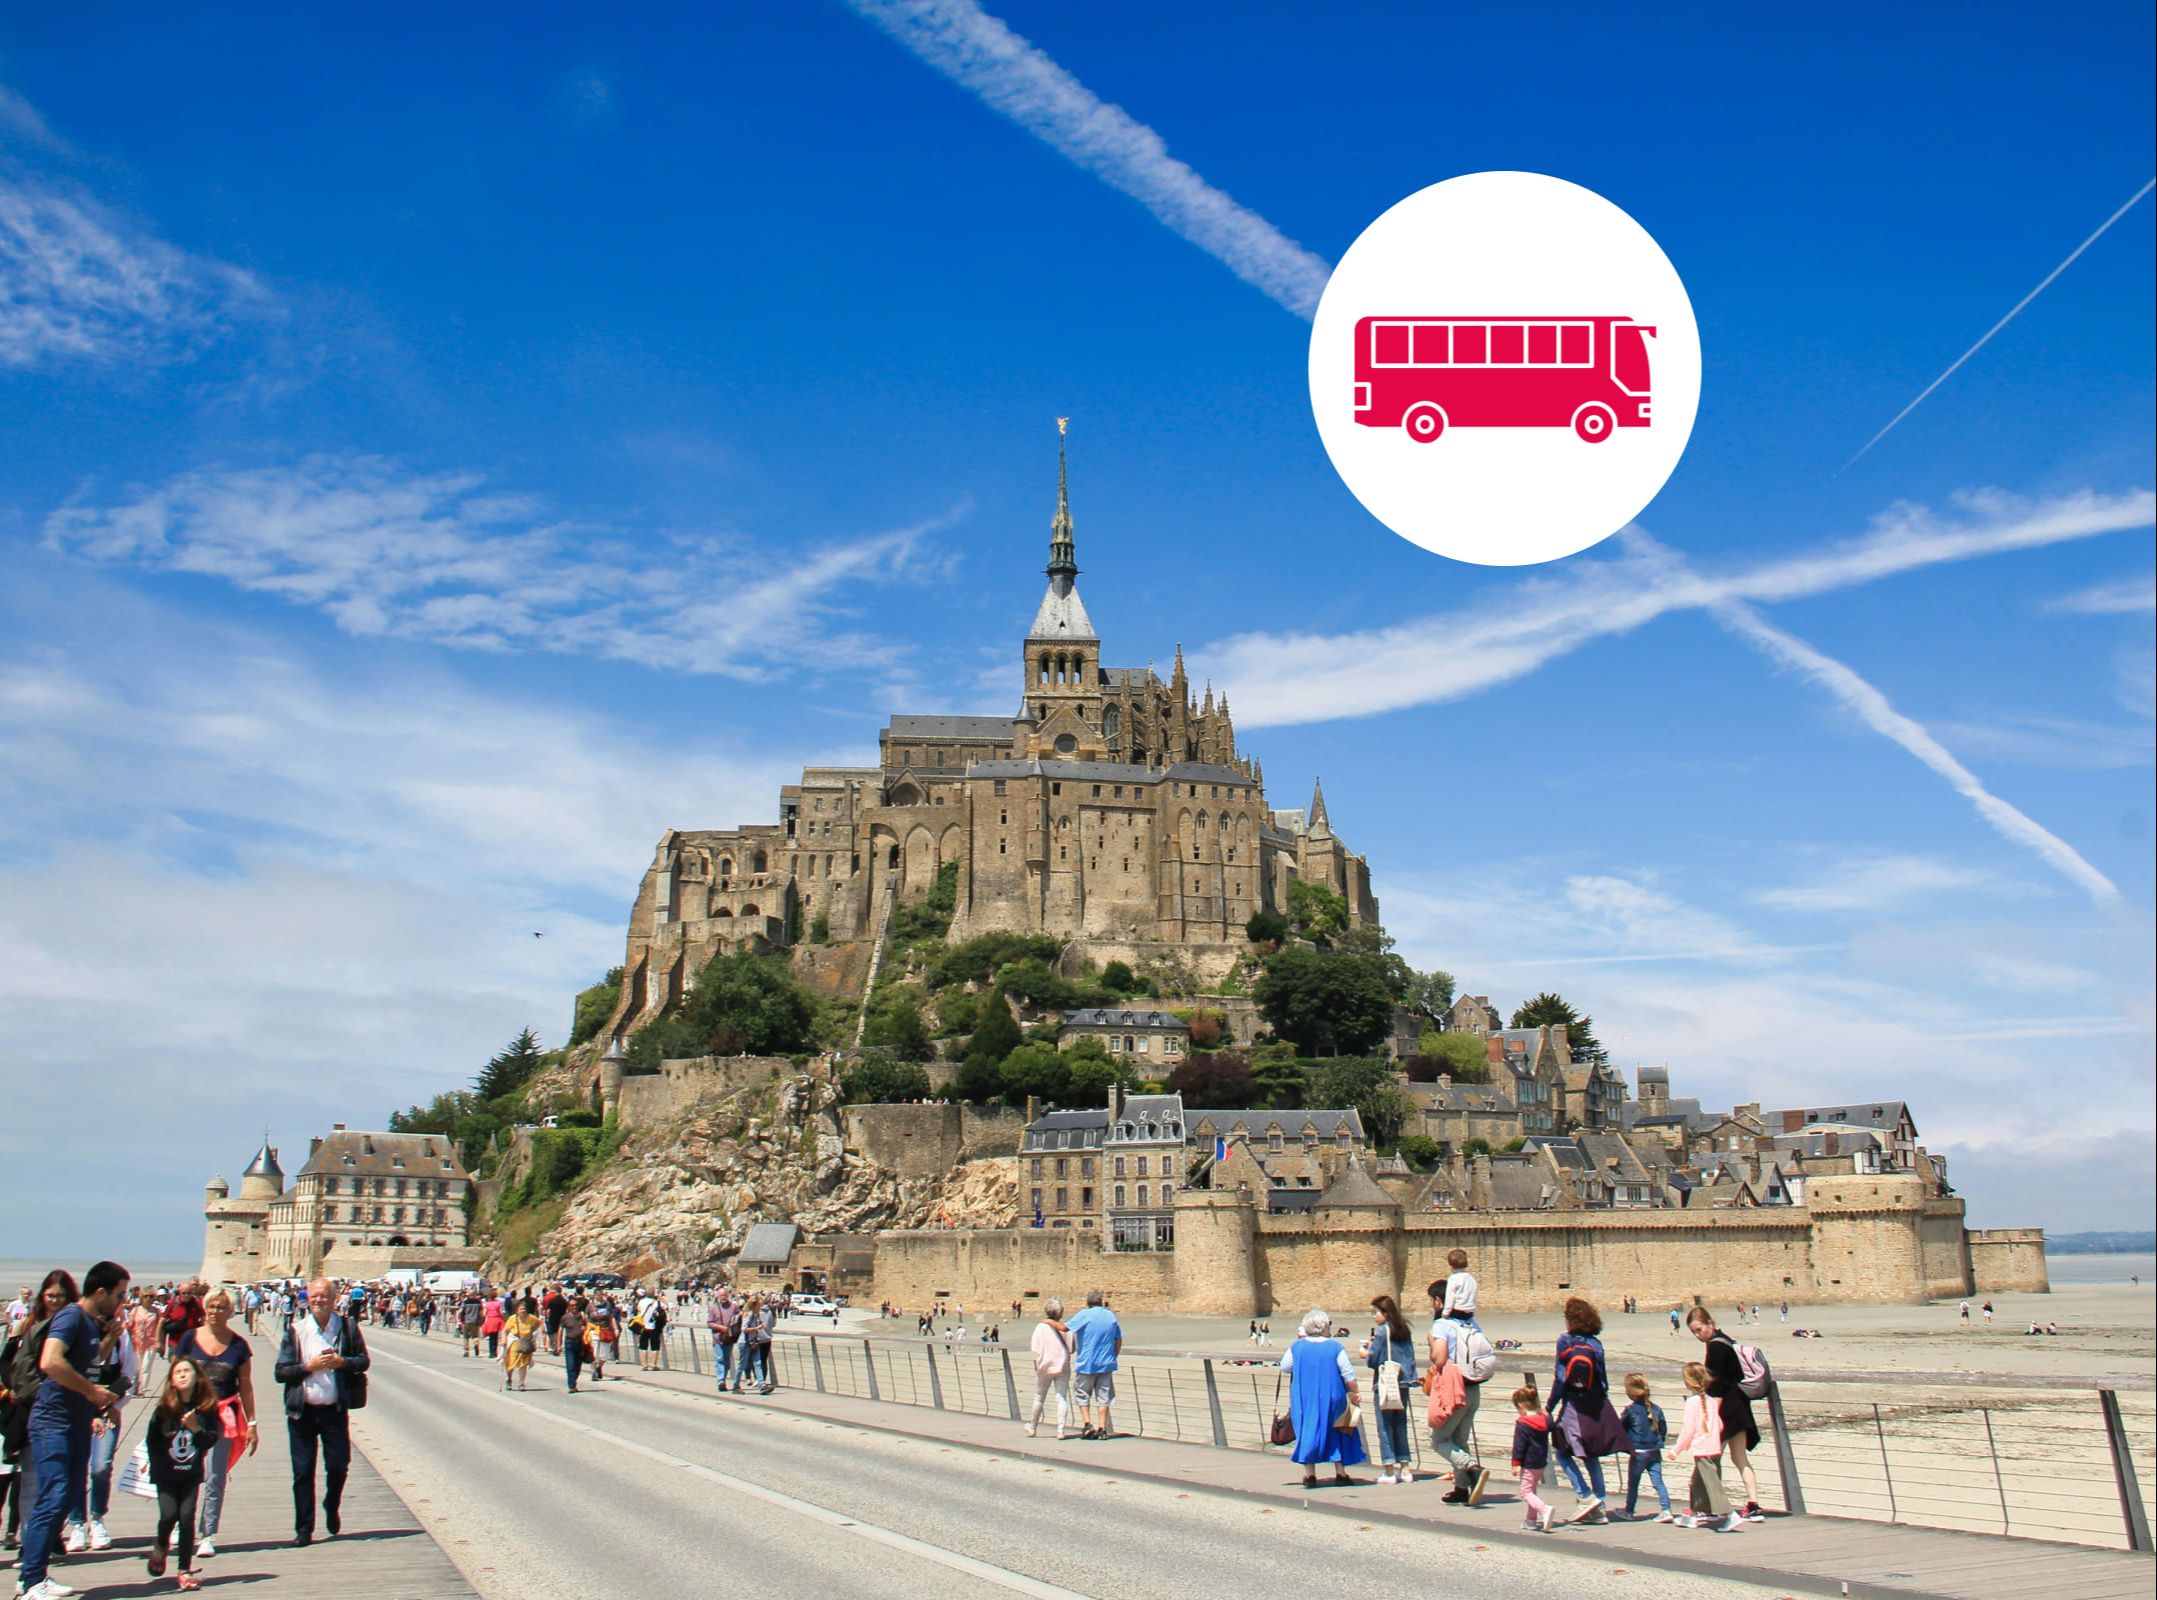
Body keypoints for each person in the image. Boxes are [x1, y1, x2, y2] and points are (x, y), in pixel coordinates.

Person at [17, 1261, 130, 1600]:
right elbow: (51, 1362)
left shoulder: (92, 1325)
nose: (122, 1301)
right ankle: (30, 1580)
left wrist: (109, 1341)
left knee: (65, 1499)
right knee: (53, 1497)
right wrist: (92, 1392)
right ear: (100, 1292)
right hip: (53, 1422)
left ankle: (38, 1574)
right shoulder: (71, 1317)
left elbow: (89, 1367)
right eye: (119, 1295)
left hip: (78, 1422)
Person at [273, 1277, 370, 1547]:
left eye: (324, 1296)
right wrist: (309, 1366)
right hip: (302, 1412)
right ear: (307, 1298)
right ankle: (304, 1529)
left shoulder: (347, 1327)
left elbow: (363, 1361)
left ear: (335, 1298)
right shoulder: (297, 1330)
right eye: (315, 1296)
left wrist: (342, 1362)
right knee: (303, 1472)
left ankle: (332, 1502)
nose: (319, 1300)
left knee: (339, 1466)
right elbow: (281, 1372)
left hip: (333, 1411)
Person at [175, 1287, 257, 1558]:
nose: (215, 1311)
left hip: (223, 1416)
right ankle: (180, 1523)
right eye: (211, 1306)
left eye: (221, 1307)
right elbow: (175, 1376)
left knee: (215, 1476)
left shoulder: (238, 1346)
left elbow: (245, 1386)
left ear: (230, 1311)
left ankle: (208, 1533)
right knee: (185, 1471)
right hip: (190, 1414)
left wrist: (252, 1423)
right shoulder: (189, 1339)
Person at [62, 1297, 135, 1556]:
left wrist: (115, 1404)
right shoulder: (82, 1336)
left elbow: (128, 1375)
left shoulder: (122, 1338)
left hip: (107, 1411)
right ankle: (77, 1522)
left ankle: (98, 1518)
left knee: (101, 1466)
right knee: (76, 1469)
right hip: (80, 1411)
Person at [1547, 1296, 1626, 1524]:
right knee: (1591, 1456)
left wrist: (1550, 1407)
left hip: (1574, 1403)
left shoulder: (1565, 1341)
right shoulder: (1596, 1344)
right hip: (1596, 1403)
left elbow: (1560, 1378)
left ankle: (1585, 1496)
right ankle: (1599, 1507)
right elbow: (1603, 1380)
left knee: (1562, 1452)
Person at [145, 1355, 218, 1589]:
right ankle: (160, 1545)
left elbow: (210, 1441)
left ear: (198, 1378)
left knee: (186, 1517)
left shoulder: (206, 1410)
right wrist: (156, 1466)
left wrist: (196, 1427)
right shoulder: (163, 1410)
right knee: (169, 1515)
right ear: (172, 1381)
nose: (183, 1374)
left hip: (190, 1474)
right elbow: (152, 1441)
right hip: (166, 1474)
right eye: (178, 1372)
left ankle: (184, 1569)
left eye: (188, 1371)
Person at [1686, 1306, 1764, 1521]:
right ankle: (1753, 1504)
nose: (1697, 1335)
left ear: (1710, 1324)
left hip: (1726, 1411)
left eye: (1699, 1329)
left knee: (1708, 1458)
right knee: (1740, 1458)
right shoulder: (1726, 1341)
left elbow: (1717, 1387)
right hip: (1739, 1407)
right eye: (1694, 1332)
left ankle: (1706, 1507)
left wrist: (1711, 1415)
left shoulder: (1716, 1348)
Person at [1669, 1360, 1738, 1531]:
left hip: (1703, 1449)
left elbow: (1688, 1430)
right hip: (1713, 1447)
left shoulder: (1692, 1402)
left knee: (1712, 1483)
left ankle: (1730, 1514)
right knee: (1698, 1482)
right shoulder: (1711, 1400)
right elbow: (1720, 1425)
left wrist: (1676, 1449)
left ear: (1690, 1382)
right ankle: (1696, 1513)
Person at [1424, 1323, 1484, 1504]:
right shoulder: (1472, 1324)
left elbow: (1439, 1359)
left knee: (1437, 1438)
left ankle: (1472, 1468)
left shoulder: (1442, 1325)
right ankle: (1461, 1488)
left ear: (1438, 1301)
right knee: (1459, 1441)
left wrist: (1431, 1342)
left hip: (1454, 1389)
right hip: (1473, 1388)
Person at [1364, 1295, 1418, 1484]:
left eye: (1376, 1312)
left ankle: (1388, 1470)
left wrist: (1366, 1352)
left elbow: (1372, 1360)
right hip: (1402, 1383)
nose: (1374, 1316)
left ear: (1386, 1313)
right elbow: (1410, 1358)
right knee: (1400, 1425)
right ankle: (1405, 1469)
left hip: (1386, 1383)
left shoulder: (1381, 1332)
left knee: (1385, 1427)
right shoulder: (1404, 1329)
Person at [1066, 1289, 1122, 1441]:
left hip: (1087, 1362)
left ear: (1088, 1303)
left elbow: (1066, 1328)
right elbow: (1118, 1339)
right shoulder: (1110, 1315)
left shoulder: (1084, 1314)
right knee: (1104, 1396)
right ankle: (1102, 1428)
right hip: (1106, 1363)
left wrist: (1048, 1321)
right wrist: (1113, 1356)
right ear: (1101, 1301)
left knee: (1082, 1393)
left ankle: (1087, 1424)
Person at [1619, 1372, 1673, 1521]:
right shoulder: (1656, 1409)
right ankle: (1666, 1509)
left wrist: (1624, 1444)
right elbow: (1663, 1429)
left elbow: (1621, 1428)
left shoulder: (1630, 1410)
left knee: (1634, 1482)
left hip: (1639, 1452)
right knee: (1658, 1481)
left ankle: (1629, 1511)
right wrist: (1658, 1440)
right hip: (1654, 1450)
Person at [1509, 1376, 1554, 1533]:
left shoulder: (1523, 1424)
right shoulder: (1545, 1420)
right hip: (1541, 1461)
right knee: (1532, 1489)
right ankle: (1530, 1520)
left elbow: (1519, 1446)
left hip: (1529, 1462)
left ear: (1520, 1405)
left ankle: (1544, 1509)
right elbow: (1552, 1425)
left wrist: (1515, 1463)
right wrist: (1546, 1414)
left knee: (1525, 1491)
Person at [1025, 1298, 1073, 1439]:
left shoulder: (1040, 1327)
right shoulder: (1066, 1328)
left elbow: (1035, 1348)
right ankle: (1061, 1430)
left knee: (1039, 1397)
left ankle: (1032, 1426)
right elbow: (1071, 1348)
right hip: (1062, 1365)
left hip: (1044, 1366)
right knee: (1062, 1398)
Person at [501, 1297, 541, 1393]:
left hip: (526, 1342)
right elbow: (505, 1331)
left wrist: (532, 1333)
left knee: (523, 1363)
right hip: (515, 1341)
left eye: (524, 1309)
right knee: (511, 1362)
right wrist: (504, 1340)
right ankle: (509, 1379)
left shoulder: (531, 1318)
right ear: (517, 1310)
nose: (523, 1310)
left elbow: (538, 1323)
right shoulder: (512, 1319)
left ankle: (521, 1383)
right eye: (521, 1309)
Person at [709, 1293, 743, 1392]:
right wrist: (720, 1327)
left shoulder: (734, 1307)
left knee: (727, 1360)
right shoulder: (714, 1308)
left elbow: (738, 1319)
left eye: (724, 1294)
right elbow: (709, 1322)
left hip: (729, 1337)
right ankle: (721, 1381)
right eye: (721, 1295)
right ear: (718, 1296)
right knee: (720, 1359)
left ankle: (722, 1378)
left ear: (727, 1295)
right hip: (718, 1337)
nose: (723, 1297)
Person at [1438, 1249, 1477, 1325]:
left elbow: (1450, 1297)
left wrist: (1445, 1312)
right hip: (1470, 1312)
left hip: (1457, 1311)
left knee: (1438, 1319)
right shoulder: (1471, 1278)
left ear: (1451, 1265)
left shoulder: (1453, 1278)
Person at [560, 1298, 589, 1394]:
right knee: (570, 1365)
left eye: (576, 1305)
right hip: (569, 1342)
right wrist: (558, 1345)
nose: (574, 1307)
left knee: (578, 1365)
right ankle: (571, 1386)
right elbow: (560, 1331)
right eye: (572, 1305)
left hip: (580, 1343)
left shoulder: (582, 1316)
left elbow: (587, 1328)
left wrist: (584, 1329)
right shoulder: (565, 1317)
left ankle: (574, 1381)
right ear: (569, 1307)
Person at [588, 1294, 619, 1381]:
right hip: (594, 1331)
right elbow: (586, 1318)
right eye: (598, 1296)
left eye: (601, 1297)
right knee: (594, 1353)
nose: (599, 1298)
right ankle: (594, 1372)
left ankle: (599, 1367)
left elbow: (611, 1318)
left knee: (604, 1355)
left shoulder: (607, 1305)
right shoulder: (590, 1306)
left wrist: (615, 1329)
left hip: (605, 1331)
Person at [480, 1292, 505, 1362]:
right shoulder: (498, 1303)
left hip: (490, 1320)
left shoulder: (487, 1304)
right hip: (497, 1319)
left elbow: (484, 1313)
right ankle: (495, 1352)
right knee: (495, 1337)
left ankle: (491, 1352)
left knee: (491, 1337)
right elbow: (501, 1312)